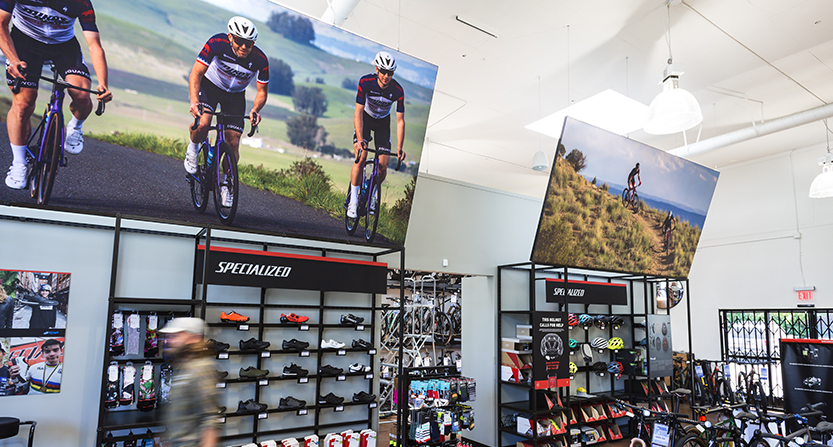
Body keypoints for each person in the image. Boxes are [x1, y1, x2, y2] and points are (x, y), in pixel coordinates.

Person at [0, 0, 113, 189]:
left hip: (63, 48)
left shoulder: (81, 2)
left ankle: (75, 127)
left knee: (82, 95)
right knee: (23, 104)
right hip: (23, 44)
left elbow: (94, 45)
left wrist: (103, 84)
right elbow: (1, 24)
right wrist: (13, 60)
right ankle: (19, 163)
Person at [185, 16, 268, 208]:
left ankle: (226, 185)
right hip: (210, 88)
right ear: (230, 37)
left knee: (233, 142)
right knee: (204, 123)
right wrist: (194, 101)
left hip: (235, 96)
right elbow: (196, 73)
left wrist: (256, 109)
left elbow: (262, 92)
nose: (244, 47)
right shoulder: (216, 43)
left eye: (249, 43)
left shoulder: (260, 59)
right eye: (240, 42)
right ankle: (193, 148)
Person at [347, 51, 406, 218]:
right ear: (376, 69)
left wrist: (400, 148)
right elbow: (358, 112)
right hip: (365, 120)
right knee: (361, 156)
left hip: (382, 124)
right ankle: (353, 202)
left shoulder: (398, 91)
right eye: (383, 72)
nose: (386, 76)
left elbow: (400, 121)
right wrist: (359, 140)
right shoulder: (365, 82)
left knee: (382, 165)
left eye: (390, 73)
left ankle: (372, 193)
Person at [159, 317, 219, 447]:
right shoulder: (183, 366)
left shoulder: (201, 368)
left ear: (195, 338)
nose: (169, 341)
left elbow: (209, 419)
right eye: (169, 336)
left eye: (176, 336)